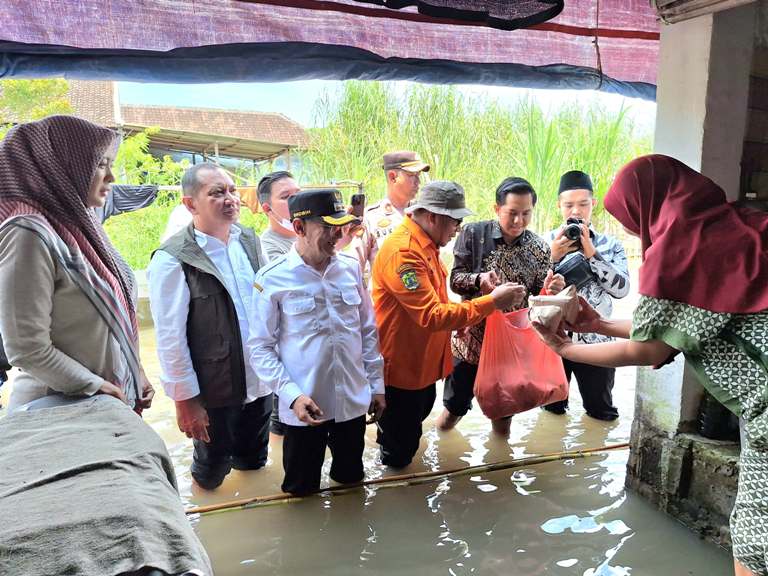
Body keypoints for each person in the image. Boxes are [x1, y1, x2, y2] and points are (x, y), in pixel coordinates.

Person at [531, 154, 768, 576]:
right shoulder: (736, 226)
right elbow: (664, 331)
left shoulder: (681, 249)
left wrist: (564, 348)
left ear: (649, 203)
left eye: (628, 215)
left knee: (753, 543)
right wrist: (598, 323)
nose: (627, 227)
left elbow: (649, 351)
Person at [0, 115, 210, 575]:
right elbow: (26, 348)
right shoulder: (28, 233)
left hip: (100, 401)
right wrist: (98, 385)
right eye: (100, 165)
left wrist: (133, 377)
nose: (112, 178)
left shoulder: (73, 225)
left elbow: (104, 321)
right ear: (61, 168)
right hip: (57, 412)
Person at [371, 180, 543, 467]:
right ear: (432, 216)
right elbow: (431, 315)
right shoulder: (405, 253)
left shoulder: (427, 246)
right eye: (455, 221)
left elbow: (437, 303)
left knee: (410, 436)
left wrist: (459, 320)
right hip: (402, 371)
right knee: (397, 454)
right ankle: (396, 498)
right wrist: (492, 302)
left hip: (422, 368)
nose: (458, 229)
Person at [249, 189, 386, 495]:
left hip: (351, 403)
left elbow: (367, 331)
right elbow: (260, 348)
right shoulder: (271, 278)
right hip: (305, 408)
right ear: (299, 228)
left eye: (340, 227)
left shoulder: (350, 268)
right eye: (327, 228)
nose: (337, 235)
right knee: (301, 491)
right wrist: (292, 396)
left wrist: (376, 386)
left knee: (351, 483)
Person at [148, 162, 272, 491]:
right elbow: (170, 338)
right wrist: (185, 401)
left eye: (232, 191)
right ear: (190, 204)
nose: (230, 198)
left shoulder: (248, 240)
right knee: (211, 471)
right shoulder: (173, 258)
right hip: (215, 390)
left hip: (259, 381)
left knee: (255, 461)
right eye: (216, 193)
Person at [435, 177, 565, 435]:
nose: (519, 221)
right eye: (512, 213)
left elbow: (539, 298)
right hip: (470, 341)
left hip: (511, 346)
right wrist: (479, 280)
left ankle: (499, 465)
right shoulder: (473, 234)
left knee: (504, 415)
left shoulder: (539, 247)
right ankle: (442, 452)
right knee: (453, 410)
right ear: (497, 209)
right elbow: (456, 281)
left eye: (526, 214)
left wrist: (552, 289)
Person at [542, 170, 630, 421]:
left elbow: (622, 290)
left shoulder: (611, 245)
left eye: (583, 204)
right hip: (554, 339)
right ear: (559, 205)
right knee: (551, 411)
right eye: (569, 205)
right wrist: (552, 257)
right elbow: (531, 291)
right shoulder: (547, 242)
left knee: (601, 411)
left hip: (598, 341)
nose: (576, 211)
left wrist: (593, 254)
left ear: (594, 204)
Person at [350, 150, 430, 276]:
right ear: (393, 177)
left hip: (423, 293)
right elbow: (354, 269)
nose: (418, 182)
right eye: (412, 175)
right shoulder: (371, 218)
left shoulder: (424, 216)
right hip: (385, 294)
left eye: (418, 175)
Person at [257, 170, 301, 262]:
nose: (297, 200)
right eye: (286, 197)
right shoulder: (267, 247)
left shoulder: (312, 231)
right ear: (267, 209)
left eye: (298, 193)